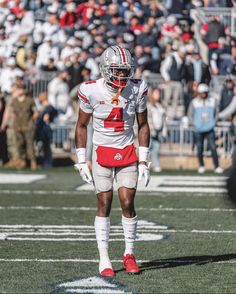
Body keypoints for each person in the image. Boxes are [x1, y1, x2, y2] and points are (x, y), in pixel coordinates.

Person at [74, 45, 151, 277]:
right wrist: (81, 160)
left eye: (125, 71)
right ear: (106, 69)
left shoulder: (138, 88)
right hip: (101, 153)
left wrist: (145, 161)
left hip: (127, 151)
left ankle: (129, 254)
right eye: (117, 70)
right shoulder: (90, 90)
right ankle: (104, 257)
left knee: (127, 202)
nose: (121, 76)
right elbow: (81, 125)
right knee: (104, 204)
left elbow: (143, 125)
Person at [188, 83, 224, 174]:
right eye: (202, 92)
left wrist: (214, 122)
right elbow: (190, 114)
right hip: (198, 129)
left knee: (213, 148)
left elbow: (216, 112)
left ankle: (216, 166)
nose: (204, 94)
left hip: (210, 128)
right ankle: (201, 165)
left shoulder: (212, 101)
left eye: (205, 92)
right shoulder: (194, 102)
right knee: (199, 148)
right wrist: (194, 124)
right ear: (199, 93)